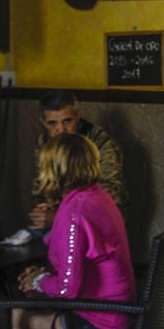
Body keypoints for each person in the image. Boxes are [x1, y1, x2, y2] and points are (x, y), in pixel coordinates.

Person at [0, 132, 136, 329]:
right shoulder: (98, 197)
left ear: (54, 170)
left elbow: (68, 288)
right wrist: (43, 277)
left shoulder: (74, 212)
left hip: (95, 325)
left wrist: (38, 280)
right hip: (113, 314)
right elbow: (78, 264)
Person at [28, 90, 127, 231]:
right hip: (62, 221)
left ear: (78, 116)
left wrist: (58, 218)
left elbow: (111, 204)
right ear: (43, 122)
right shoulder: (46, 142)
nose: (61, 129)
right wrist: (42, 210)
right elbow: (40, 188)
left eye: (67, 121)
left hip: (96, 228)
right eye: (52, 124)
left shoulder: (100, 145)